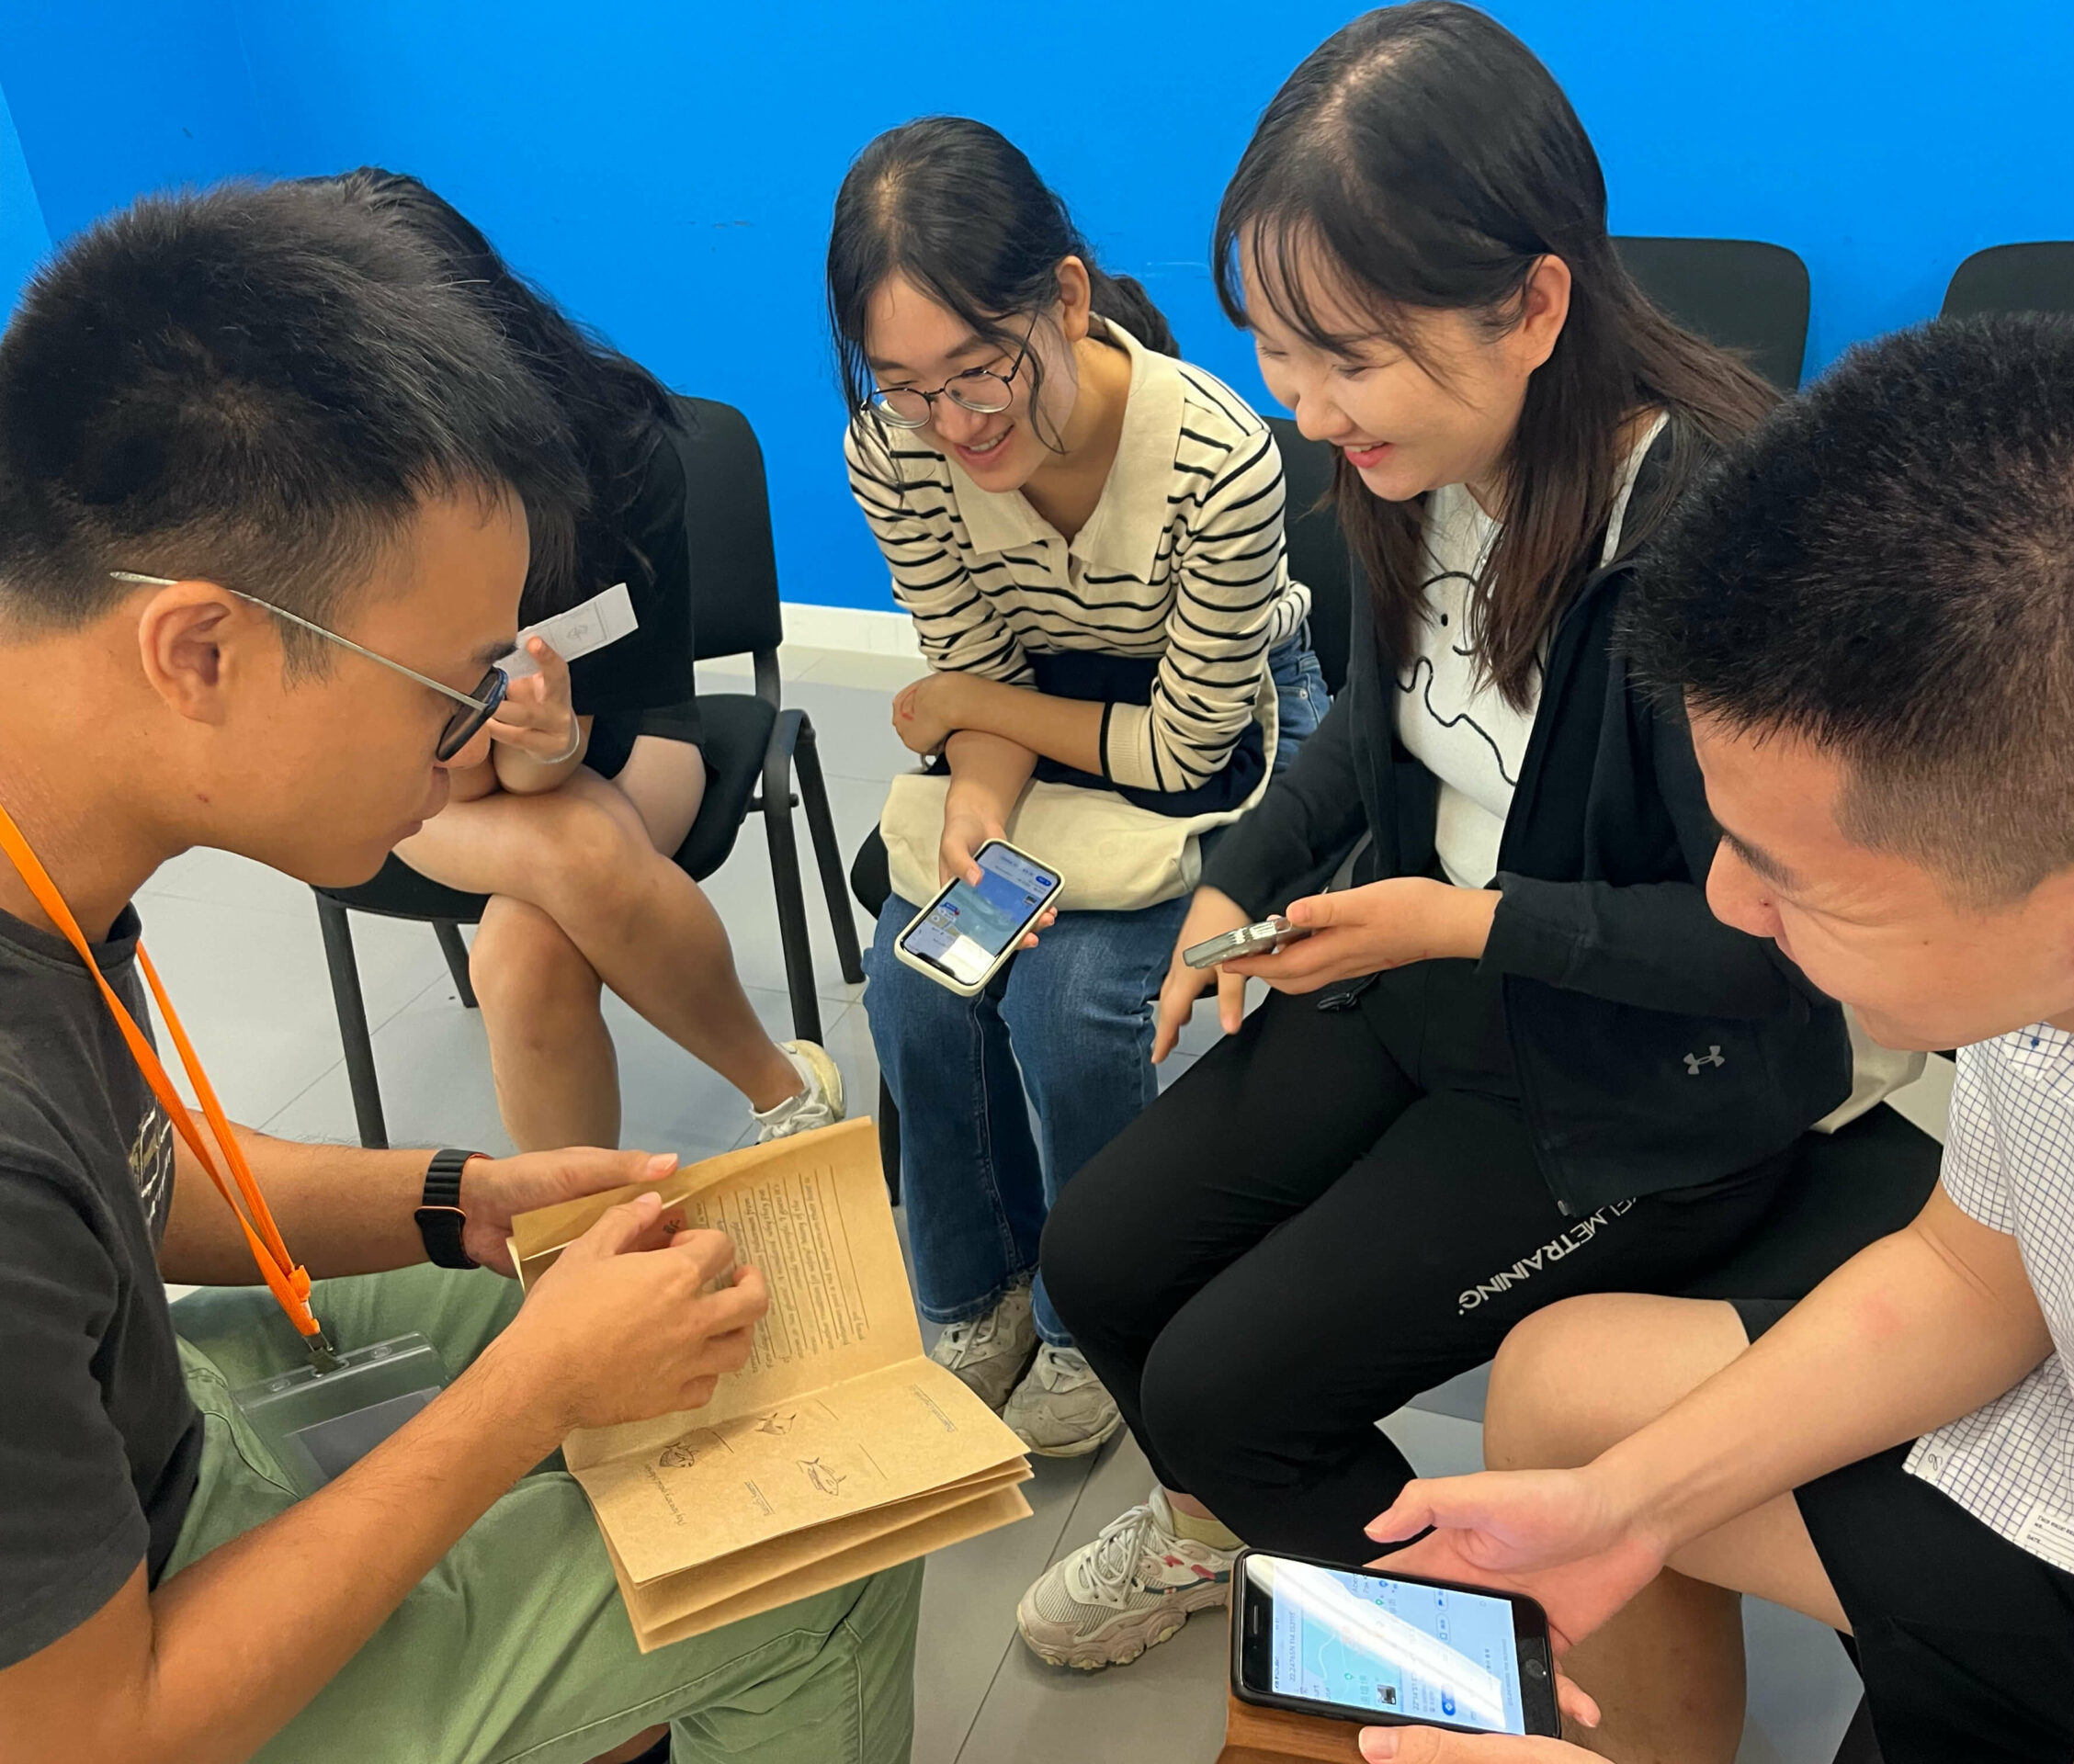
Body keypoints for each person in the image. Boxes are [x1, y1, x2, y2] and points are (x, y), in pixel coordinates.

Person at [0, 182, 915, 1764]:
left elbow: (136, 1179)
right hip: (118, 1671)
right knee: (818, 1560)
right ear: (201, 654)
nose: (480, 736)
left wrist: (458, 1200)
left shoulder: (52, 834)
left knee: (698, 1333)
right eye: (451, 684)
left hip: (147, 1430)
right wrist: (523, 1405)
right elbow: (93, 1733)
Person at [1366, 312, 2074, 1764]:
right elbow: (1971, 1268)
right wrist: (1632, 1505)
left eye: (1794, 876)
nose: (1724, 901)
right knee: (1574, 1398)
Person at [1015, 1, 1854, 1673]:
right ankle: (1231, 1518)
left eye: (1350, 354)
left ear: (1538, 301)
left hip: (1644, 1090)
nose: (1307, 408)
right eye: (1278, 348)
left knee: (1229, 1394)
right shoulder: (1414, 465)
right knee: (1097, 1259)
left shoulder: (1720, 544)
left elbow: (1775, 954)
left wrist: (1459, 927)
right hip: (1438, 989)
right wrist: (1235, 881)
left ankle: (1485, 1685)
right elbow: (1373, 734)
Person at [831, 117, 1329, 1457]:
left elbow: (1185, 751)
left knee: (1070, 1005)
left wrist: (968, 716)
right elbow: (973, 657)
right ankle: (973, 1285)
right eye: (906, 386)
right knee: (913, 979)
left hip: (1226, 720)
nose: (954, 424)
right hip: (1043, 713)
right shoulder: (894, 455)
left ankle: (1095, 1312)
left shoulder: (1216, 458)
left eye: (979, 371)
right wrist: (978, 791)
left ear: (1062, 295)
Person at [336, 169, 843, 1153]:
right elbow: (432, 760)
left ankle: (577, 1243)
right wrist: (491, 749)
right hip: (423, 778)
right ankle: (789, 1096)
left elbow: (598, 721)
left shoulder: (615, 451)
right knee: (552, 874)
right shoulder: (338, 495)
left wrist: (552, 741)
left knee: (525, 953)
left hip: (625, 728)